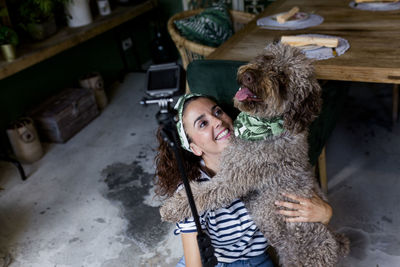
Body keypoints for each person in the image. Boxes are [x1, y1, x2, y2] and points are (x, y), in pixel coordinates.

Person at [154, 94, 333, 267]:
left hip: (255, 260)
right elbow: (195, 263)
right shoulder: (191, 194)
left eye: (217, 112)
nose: (218, 121)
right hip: (212, 261)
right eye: (203, 123)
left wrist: (325, 213)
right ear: (194, 148)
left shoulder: (266, 161)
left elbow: (301, 224)